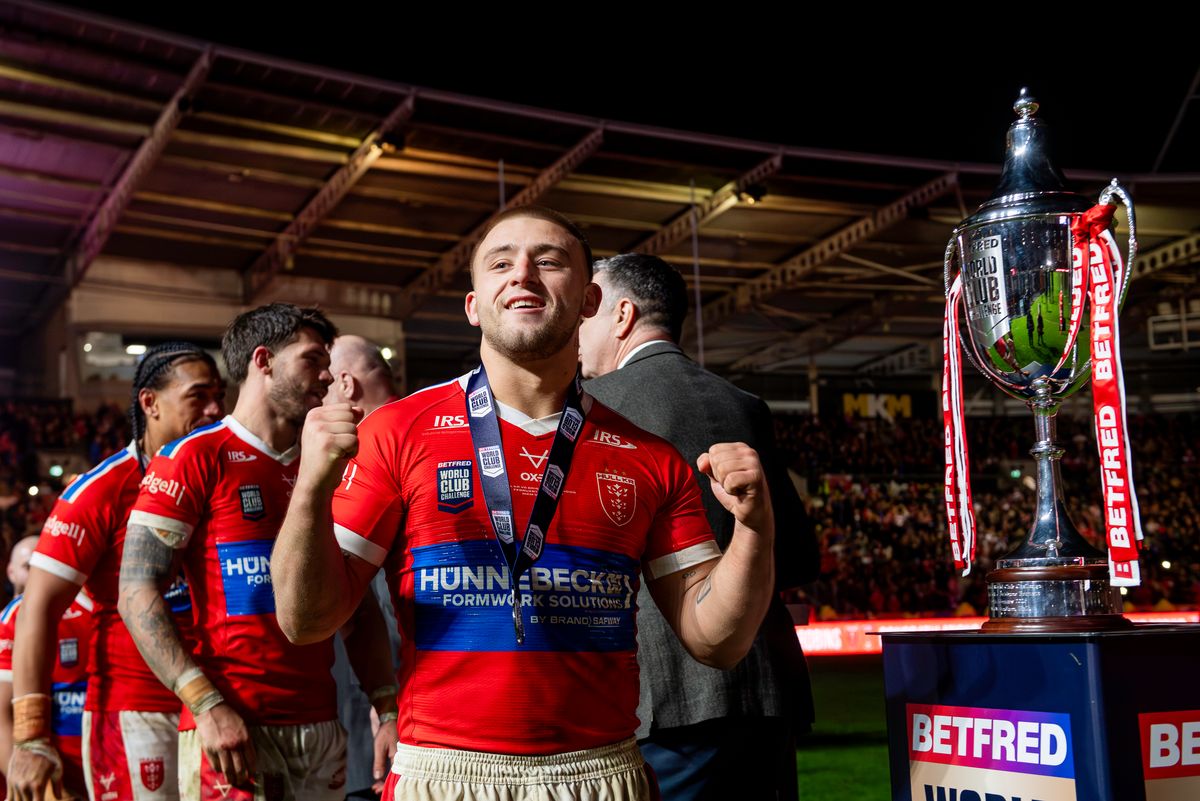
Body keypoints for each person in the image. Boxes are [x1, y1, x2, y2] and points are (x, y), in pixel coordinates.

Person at [272, 206, 777, 801]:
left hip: (600, 774)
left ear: (590, 300)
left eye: (550, 261)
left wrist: (754, 528)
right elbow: (305, 620)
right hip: (443, 773)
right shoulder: (397, 431)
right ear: (473, 304)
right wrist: (309, 490)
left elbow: (716, 639)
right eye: (501, 262)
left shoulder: (649, 458)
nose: (523, 275)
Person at [119, 305, 393, 801]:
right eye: (313, 359)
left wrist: (386, 705)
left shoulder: (328, 462)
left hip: (321, 726)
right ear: (263, 360)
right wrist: (205, 705)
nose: (328, 374)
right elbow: (136, 589)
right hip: (234, 729)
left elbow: (355, 604)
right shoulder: (193, 457)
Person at [579, 252, 819, 801]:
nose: (574, 333)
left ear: (621, 316)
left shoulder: (594, 409)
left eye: (585, 313)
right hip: (767, 691)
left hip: (664, 701)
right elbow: (801, 557)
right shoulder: (746, 404)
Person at [6, 343, 224, 801]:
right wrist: (30, 736)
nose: (215, 409)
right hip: (138, 714)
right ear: (150, 403)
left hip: (224, 705)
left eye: (220, 395)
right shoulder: (102, 490)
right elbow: (37, 608)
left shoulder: (226, 475)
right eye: (199, 396)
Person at [324, 335, 402, 797]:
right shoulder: (431, 429)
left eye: (325, 387)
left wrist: (385, 700)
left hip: (380, 706)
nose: (320, 398)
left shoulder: (377, 445)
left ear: (346, 384)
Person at [0, 534, 93, 801]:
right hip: (59, 783)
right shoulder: (15, 618)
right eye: (30, 566)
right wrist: (49, 794)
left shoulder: (117, 604)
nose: (39, 573)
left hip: (119, 769)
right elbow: (1, 717)